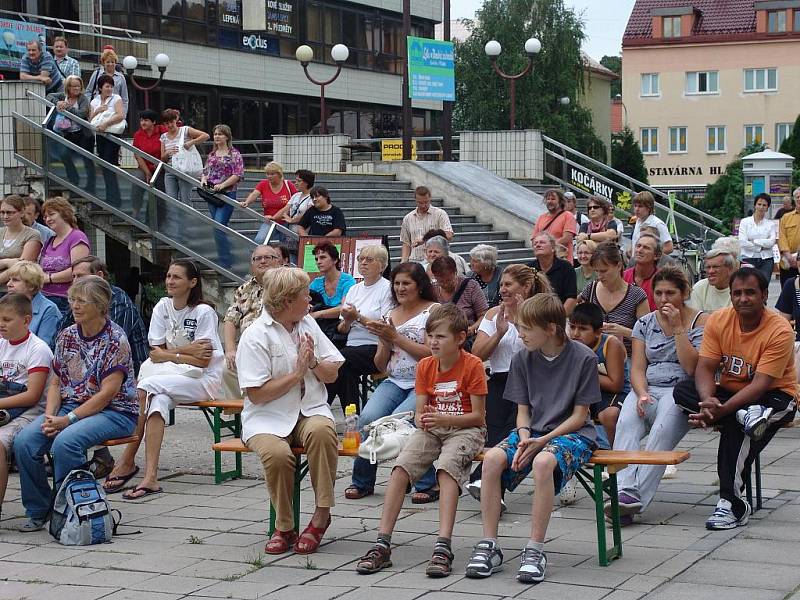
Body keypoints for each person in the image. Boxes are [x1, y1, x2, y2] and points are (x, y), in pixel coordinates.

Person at [464, 293, 599, 584]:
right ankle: (489, 545)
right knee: (492, 460)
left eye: (526, 328)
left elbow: (579, 416)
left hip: (572, 433)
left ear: (550, 328)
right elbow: (522, 413)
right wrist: (526, 437)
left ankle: (535, 549)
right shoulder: (522, 358)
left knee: (543, 463)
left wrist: (541, 441)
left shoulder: (583, 357)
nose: (520, 334)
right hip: (533, 430)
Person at [356, 304, 487, 577]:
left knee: (446, 470)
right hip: (433, 429)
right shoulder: (426, 366)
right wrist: (424, 420)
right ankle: (382, 542)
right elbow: (419, 413)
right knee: (400, 468)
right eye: (430, 336)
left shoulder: (472, 365)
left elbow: (477, 417)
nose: (433, 342)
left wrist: (442, 419)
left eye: (440, 337)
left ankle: (443, 545)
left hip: (465, 430)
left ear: (460, 338)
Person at [673, 268, 797, 530]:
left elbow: (761, 383)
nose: (743, 299)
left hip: (774, 395)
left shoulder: (779, 329)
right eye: (737, 293)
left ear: (764, 295)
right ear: (730, 295)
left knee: (738, 427)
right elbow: (705, 368)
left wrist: (722, 411)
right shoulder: (719, 320)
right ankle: (744, 415)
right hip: (733, 394)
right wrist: (709, 401)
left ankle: (732, 505)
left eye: (750, 293)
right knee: (683, 390)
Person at [13, 276, 138, 532]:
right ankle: (39, 509)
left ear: (100, 305)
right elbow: (57, 383)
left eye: (82, 301)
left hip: (115, 411)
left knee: (65, 442)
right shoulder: (68, 335)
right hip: (71, 406)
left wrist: (66, 421)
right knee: (25, 441)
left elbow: (107, 394)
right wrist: (50, 417)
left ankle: (68, 511)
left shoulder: (115, 339)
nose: (75, 306)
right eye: (73, 300)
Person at [237, 267, 344, 555]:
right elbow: (257, 395)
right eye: (305, 296)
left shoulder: (307, 324)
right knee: (277, 454)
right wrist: (296, 375)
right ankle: (284, 526)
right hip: (266, 417)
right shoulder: (255, 335)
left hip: (309, 409)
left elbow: (332, 373)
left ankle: (322, 515)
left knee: (323, 431)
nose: (310, 301)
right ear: (287, 301)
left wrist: (311, 366)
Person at [107, 259, 224, 498]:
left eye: (176, 277)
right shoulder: (162, 306)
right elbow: (154, 352)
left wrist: (171, 354)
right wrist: (186, 352)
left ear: (193, 282)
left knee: (146, 385)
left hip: (202, 379)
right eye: (168, 276)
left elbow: (202, 361)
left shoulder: (204, 312)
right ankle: (150, 477)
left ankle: (127, 459)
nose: (170, 281)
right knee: (157, 401)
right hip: (171, 375)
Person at [608, 266, 706, 525]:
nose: (663, 299)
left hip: (680, 389)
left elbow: (691, 367)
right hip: (648, 386)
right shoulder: (645, 323)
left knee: (661, 432)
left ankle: (634, 498)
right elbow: (638, 367)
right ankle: (624, 492)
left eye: (670, 293)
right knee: (626, 422)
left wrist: (677, 328)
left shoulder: (700, 321)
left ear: (684, 293)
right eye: (659, 293)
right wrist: (640, 394)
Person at [345, 262, 439, 501]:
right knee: (367, 418)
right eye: (396, 283)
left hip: (425, 382)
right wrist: (386, 341)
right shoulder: (390, 315)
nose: (400, 288)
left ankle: (427, 483)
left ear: (419, 286)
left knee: (399, 422)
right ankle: (362, 481)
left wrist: (396, 337)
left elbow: (432, 354)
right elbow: (379, 365)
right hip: (396, 379)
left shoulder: (434, 311)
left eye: (406, 283)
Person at [467, 265, 552, 505]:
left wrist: (520, 322)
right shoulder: (494, 314)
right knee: (495, 434)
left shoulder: (540, 312)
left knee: (512, 431)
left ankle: (484, 481)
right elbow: (477, 353)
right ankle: (492, 489)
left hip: (533, 382)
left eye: (508, 285)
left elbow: (546, 351)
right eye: (501, 284)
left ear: (525, 287)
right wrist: (499, 333)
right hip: (501, 379)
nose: (502, 289)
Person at [0, 293, 53, 521]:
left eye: (7, 319)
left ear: (26, 320)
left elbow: (32, 396)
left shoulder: (37, 349)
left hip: (31, 411)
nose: (1, 324)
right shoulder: (1, 343)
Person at [327, 245, 394, 410]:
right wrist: (349, 321)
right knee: (345, 371)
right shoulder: (354, 289)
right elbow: (342, 329)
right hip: (351, 348)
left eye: (369, 260)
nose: (363, 263)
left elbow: (385, 326)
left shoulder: (387, 289)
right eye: (360, 259)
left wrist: (358, 317)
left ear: (382, 266)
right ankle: (353, 419)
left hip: (376, 347)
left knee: (339, 361)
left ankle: (319, 407)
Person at [58, 256, 148, 374]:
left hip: (129, 373)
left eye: (80, 276)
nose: (75, 281)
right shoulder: (77, 301)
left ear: (99, 276)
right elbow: (60, 335)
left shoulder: (119, 302)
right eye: (73, 277)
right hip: (88, 369)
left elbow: (107, 344)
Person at [220, 244, 281, 400]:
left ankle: (262, 404)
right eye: (257, 258)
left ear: (278, 261)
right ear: (252, 265)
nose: (262, 261)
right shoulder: (244, 289)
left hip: (277, 345)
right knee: (227, 367)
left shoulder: (286, 284)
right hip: (248, 346)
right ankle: (244, 410)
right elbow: (230, 319)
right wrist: (230, 350)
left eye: (267, 257)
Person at [568, 302, 629, 447]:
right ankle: (583, 448)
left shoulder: (610, 344)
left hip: (615, 394)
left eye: (582, 329)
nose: (575, 333)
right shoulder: (570, 345)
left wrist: (583, 372)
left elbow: (616, 384)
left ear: (598, 332)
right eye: (572, 327)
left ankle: (618, 455)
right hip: (588, 392)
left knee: (608, 415)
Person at [578, 242, 649, 357]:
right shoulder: (590, 289)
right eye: (596, 271)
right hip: (594, 354)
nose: (600, 276)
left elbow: (649, 337)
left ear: (619, 266)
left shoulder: (637, 295)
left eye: (604, 271)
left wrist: (624, 332)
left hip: (627, 357)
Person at [200, 124, 243, 269]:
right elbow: (205, 171)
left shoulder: (234, 154)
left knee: (219, 226)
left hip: (227, 193)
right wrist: (204, 180)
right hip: (212, 194)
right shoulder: (212, 154)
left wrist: (223, 185)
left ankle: (226, 261)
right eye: (215, 134)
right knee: (217, 227)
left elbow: (238, 174)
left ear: (227, 136)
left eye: (220, 134)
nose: (217, 136)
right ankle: (225, 257)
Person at [39, 197, 90, 316]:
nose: (48, 219)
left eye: (51, 214)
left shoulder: (77, 237)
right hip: (43, 297)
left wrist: (48, 278)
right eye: (45, 216)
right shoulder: (50, 240)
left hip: (64, 299)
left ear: (64, 214)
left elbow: (78, 271)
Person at [46, 75, 96, 193]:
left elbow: (82, 113)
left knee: (87, 160)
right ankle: (74, 179)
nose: (76, 88)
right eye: (73, 86)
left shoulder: (83, 98)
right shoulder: (63, 96)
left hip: (84, 134)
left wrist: (67, 107)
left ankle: (91, 186)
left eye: (78, 86)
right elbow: (48, 96)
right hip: (68, 134)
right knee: (64, 154)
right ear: (68, 87)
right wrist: (58, 103)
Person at [308, 243, 356, 344]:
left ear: (335, 260)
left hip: (342, 328)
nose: (318, 262)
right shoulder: (315, 283)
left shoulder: (347, 280)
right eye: (316, 259)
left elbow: (345, 309)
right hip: (322, 328)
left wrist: (318, 314)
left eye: (323, 257)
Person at [88, 74, 125, 204]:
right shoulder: (94, 101)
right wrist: (98, 111)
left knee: (110, 164)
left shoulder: (116, 98)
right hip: (100, 135)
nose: (109, 89)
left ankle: (114, 198)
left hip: (113, 135)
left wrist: (106, 124)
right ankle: (112, 197)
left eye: (111, 86)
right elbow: (89, 119)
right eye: (107, 86)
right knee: (104, 165)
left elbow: (120, 115)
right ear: (100, 88)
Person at [5, 261, 60, 348]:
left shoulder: (49, 309)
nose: (8, 284)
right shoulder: (4, 304)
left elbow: (43, 347)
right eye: (9, 279)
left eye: (15, 280)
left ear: (31, 286)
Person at [160, 108, 209, 206]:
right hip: (170, 171)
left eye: (171, 122)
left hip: (185, 170)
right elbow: (162, 158)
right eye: (166, 123)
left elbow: (205, 136)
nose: (170, 125)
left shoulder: (185, 130)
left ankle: (186, 220)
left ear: (176, 120)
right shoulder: (164, 137)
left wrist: (191, 142)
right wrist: (168, 152)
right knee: (170, 200)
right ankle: (174, 221)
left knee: (185, 199)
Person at [431, 256, 488, 339]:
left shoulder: (471, 286)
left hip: (466, 337)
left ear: (455, 272)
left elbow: (484, 315)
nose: (445, 284)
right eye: (441, 281)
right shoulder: (432, 290)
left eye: (449, 280)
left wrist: (473, 328)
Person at [241, 162, 297, 244]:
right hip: (269, 221)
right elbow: (255, 194)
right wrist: (247, 202)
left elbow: (297, 199)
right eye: (267, 174)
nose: (269, 176)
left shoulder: (288, 185)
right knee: (259, 240)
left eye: (272, 174)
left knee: (288, 247)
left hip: (287, 222)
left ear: (279, 174)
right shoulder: (263, 184)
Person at [400, 186, 453, 263]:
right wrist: (403, 261)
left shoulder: (440, 214)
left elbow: (449, 235)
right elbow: (406, 243)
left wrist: (425, 239)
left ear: (430, 198)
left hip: (436, 261)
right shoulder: (408, 218)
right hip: (415, 261)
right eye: (420, 202)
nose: (423, 205)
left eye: (426, 202)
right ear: (415, 200)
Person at [0, 195, 42, 290]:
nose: (5, 216)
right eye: (2, 212)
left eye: (10, 213)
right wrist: (7, 262)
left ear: (22, 213)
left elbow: (22, 268)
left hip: (14, 292)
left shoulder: (32, 235)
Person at [131, 109, 167, 219]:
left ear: (154, 122)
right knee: (137, 184)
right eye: (141, 120)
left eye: (146, 120)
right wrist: (147, 172)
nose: (143, 123)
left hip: (161, 168)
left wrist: (160, 163)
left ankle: (154, 219)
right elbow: (137, 154)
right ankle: (135, 213)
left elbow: (168, 147)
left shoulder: (162, 131)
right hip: (144, 167)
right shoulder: (138, 135)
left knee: (158, 193)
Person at [529, 232, 577, 314]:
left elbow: (571, 298)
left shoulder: (566, 267)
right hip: (534, 316)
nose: (537, 245)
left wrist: (559, 318)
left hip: (560, 315)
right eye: (535, 243)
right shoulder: (529, 269)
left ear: (553, 248)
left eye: (542, 242)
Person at [688, 238, 739, 313]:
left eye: (716, 267)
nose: (710, 271)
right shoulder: (699, 288)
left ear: (730, 269)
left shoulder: (740, 288)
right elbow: (695, 318)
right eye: (708, 267)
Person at [532, 188, 577, 264]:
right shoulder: (541, 217)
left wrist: (548, 246)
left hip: (562, 261)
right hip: (543, 262)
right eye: (548, 199)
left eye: (553, 199)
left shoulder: (568, 216)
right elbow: (534, 238)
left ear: (560, 201)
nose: (549, 201)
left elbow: (567, 238)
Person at [738, 192, 776, 283]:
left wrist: (754, 241)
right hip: (748, 258)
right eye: (759, 204)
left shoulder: (771, 224)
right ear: (755, 205)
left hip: (766, 260)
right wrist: (761, 246)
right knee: (748, 285)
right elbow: (742, 242)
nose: (761, 207)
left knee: (763, 286)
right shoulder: (745, 222)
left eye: (764, 205)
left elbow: (771, 242)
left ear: (767, 208)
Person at [268, 169, 315, 233]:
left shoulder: (313, 197)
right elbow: (285, 209)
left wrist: (292, 220)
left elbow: (307, 214)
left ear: (307, 182)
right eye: (296, 180)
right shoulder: (296, 195)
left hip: (304, 233)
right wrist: (273, 218)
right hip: (291, 232)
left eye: (299, 181)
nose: (296, 183)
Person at [623, 232, 661, 311]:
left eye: (646, 247)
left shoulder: (662, 279)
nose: (640, 250)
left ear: (657, 255)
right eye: (638, 246)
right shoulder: (623, 277)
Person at [629, 191, 673, 258]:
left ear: (649, 207)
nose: (637, 209)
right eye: (635, 206)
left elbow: (669, 247)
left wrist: (651, 258)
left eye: (640, 206)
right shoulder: (638, 221)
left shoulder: (658, 224)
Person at [85, 48, 129, 114]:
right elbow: (89, 91)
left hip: (114, 111)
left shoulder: (120, 77)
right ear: (103, 63)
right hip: (97, 108)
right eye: (108, 62)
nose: (110, 64)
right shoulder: (97, 74)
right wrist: (89, 109)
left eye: (112, 62)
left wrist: (123, 115)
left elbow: (124, 99)